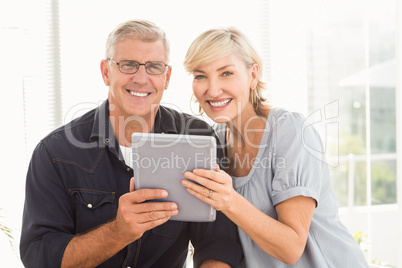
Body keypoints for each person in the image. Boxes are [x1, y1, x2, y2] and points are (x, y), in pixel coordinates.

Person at [20, 20, 243, 268]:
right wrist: (117, 233)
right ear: (106, 72)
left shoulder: (199, 139)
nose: (141, 78)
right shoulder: (55, 152)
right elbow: (39, 258)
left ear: (167, 77)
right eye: (128, 65)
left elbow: (218, 245)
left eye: (154, 67)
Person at [182, 27, 368, 267]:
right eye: (200, 76)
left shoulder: (290, 131)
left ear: (253, 75)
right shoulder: (214, 142)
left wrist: (229, 201)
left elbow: (291, 248)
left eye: (226, 73)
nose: (213, 89)